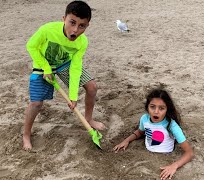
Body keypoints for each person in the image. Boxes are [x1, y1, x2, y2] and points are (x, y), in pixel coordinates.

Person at [23, 1, 106, 150]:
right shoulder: (47, 30)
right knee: (36, 103)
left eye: (82, 26)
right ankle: (26, 135)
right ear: (64, 18)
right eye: (72, 23)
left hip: (64, 64)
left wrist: (73, 95)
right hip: (43, 64)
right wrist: (46, 67)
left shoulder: (82, 42)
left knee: (92, 87)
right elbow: (31, 46)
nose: (75, 30)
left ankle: (88, 120)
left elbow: (75, 67)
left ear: (87, 26)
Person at [114, 88, 194, 180]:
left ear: (167, 109)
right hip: (145, 156)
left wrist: (174, 166)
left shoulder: (172, 125)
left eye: (161, 108)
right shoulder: (144, 119)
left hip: (165, 158)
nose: (156, 111)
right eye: (152, 107)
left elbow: (190, 153)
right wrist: (126, 140)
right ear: (147, 107)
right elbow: (140, 132)